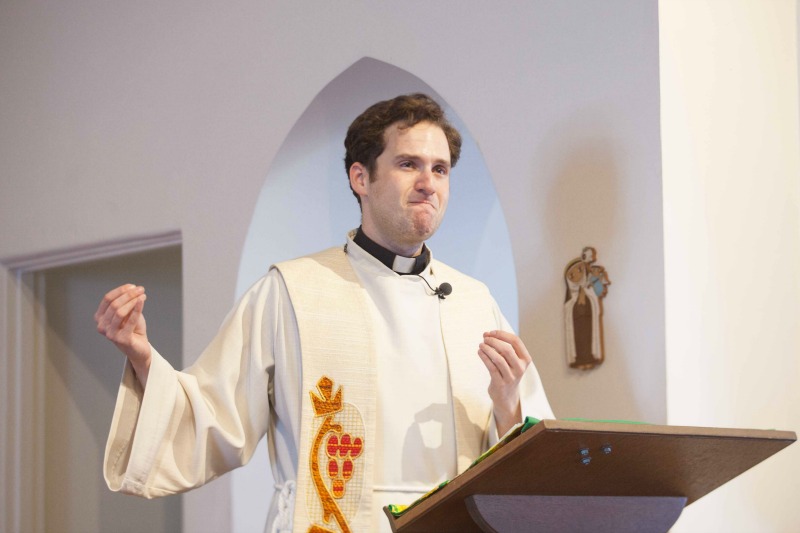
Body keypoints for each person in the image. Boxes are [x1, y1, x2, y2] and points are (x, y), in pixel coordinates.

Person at [95, 93, 553, 533]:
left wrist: (508, 402)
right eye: (408, 164)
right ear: (360, 178)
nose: (428, 183)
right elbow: (213, 415)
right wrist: (142, 358)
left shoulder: (473, 303)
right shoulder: (292, 290)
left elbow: (529, 466)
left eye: (440, 169)